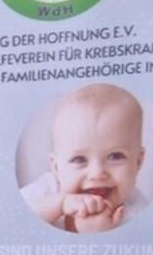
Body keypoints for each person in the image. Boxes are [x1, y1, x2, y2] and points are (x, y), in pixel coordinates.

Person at [20, 83, 146, 233]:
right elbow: (14, 218)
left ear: (138, 162)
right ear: (56, 167)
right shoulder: (46, 191)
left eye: (115, 156)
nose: (97, 173)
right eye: (79, 159)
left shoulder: (138, 211)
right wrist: (60, 204)